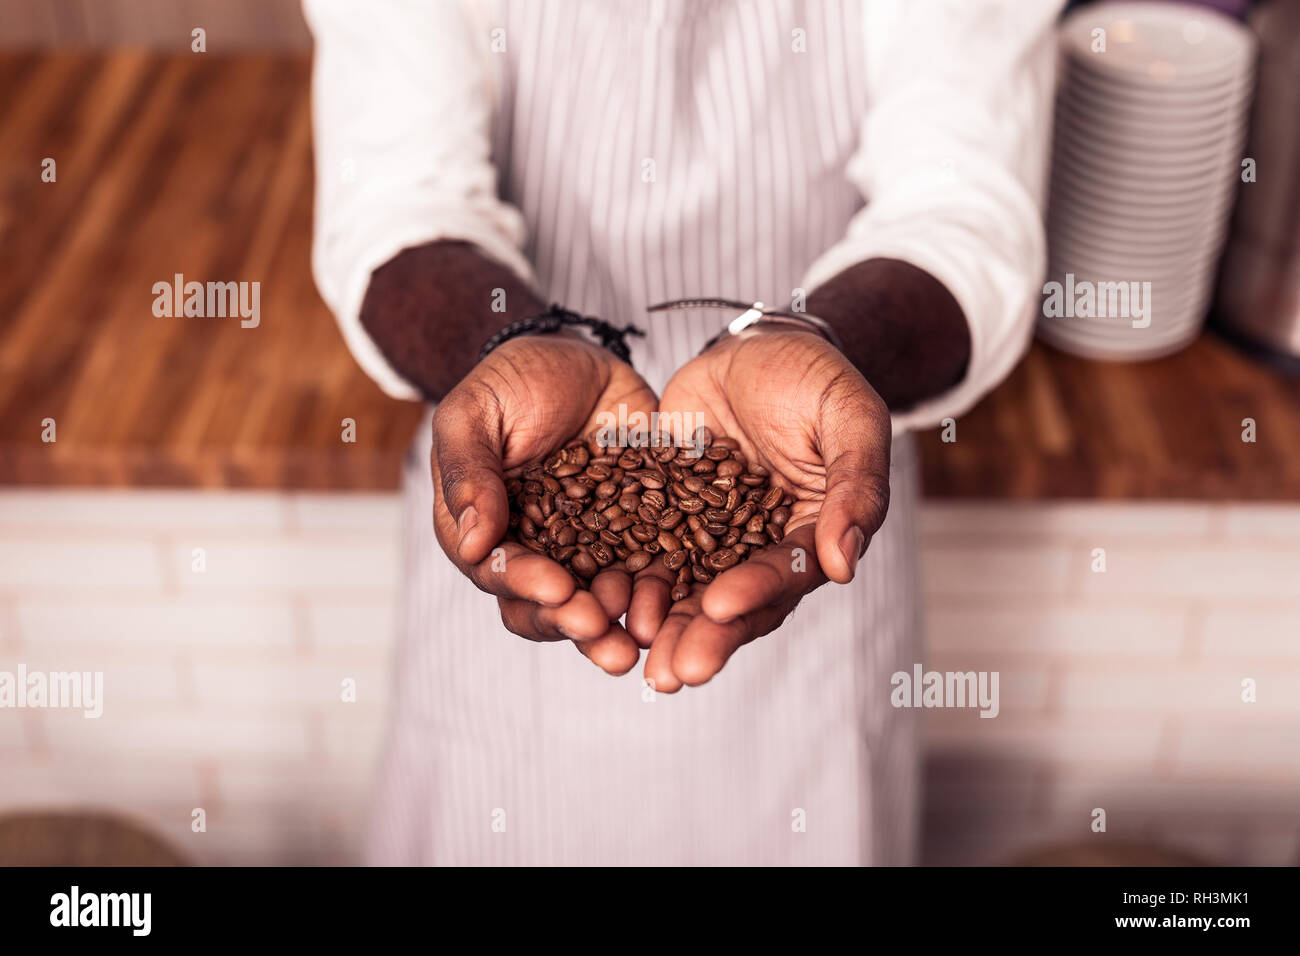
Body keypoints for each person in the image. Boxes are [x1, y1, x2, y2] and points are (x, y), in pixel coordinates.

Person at [305, 0, 1059, 865]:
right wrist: (510, 344)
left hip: (808, 500)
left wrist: (816, 344)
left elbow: (962, 212)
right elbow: (399, 202)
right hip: (518, 479)